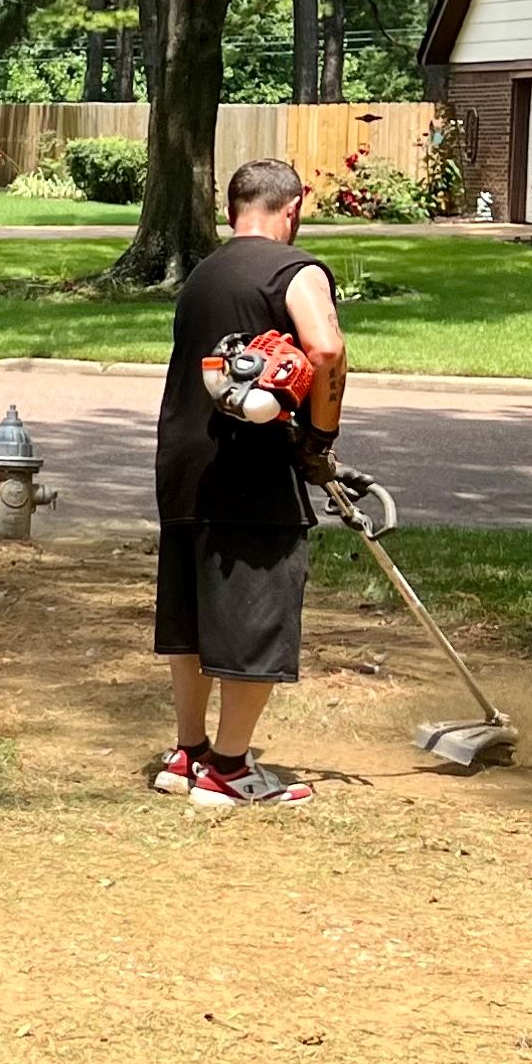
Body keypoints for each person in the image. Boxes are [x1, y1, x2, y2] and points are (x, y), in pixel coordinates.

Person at [151, 156, 347, 808]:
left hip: (182, 463)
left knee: (193, 617)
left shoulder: (201, 275)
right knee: (254, 614)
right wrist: (320, 439)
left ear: (233, 209)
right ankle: (230, 771)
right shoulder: (297, 269)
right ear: (294, 208)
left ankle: (188, 753)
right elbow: (324, 349)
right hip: (249, 469)